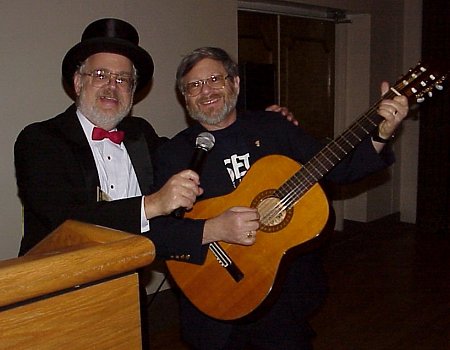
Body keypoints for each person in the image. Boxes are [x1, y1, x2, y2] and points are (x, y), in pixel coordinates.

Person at [150, 47, 409, 349]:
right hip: (214, 303)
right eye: (194, 85)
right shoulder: (172, 155)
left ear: (234, 83)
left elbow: (338, 169)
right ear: (184, 97)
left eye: (214, 79)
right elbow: (160, 232)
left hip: (282, 299)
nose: (206, 90)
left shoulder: (274, 127)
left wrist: (381, 134)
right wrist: (216, 229)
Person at [14, 18, 293, 258]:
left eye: (123, 79)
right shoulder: (40, 140)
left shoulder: (141, 135)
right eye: (100, 75)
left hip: (127, 280)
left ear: (132, 90)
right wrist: (153, 204)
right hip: (54, 288)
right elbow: (64, 219)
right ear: (78, 82)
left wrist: (257, 125)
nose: (112, 86)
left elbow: (195, 155)